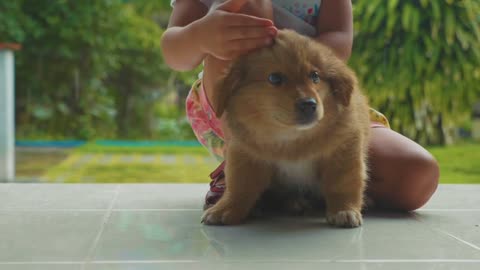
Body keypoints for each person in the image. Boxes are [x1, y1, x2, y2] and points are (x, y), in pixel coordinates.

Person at [161, 0, 440, 212]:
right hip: (242, 114)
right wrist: (198, 36)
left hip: (322, 109)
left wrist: (287, 52)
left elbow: (339, 43)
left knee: (416, 175)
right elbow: (174, 53)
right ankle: (245, 170)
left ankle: (298, 188)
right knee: (247, 8)